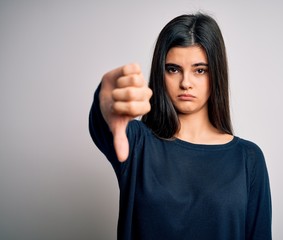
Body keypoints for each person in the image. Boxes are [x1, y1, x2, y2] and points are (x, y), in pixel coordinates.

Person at [89, 13, 272, 240]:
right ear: (160, 72)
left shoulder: (248, 158)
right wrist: (105, 100)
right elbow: (102, 122)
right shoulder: (137, 143)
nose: (186, 83)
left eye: (200, 70)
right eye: (173, 69)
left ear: (216, 73)